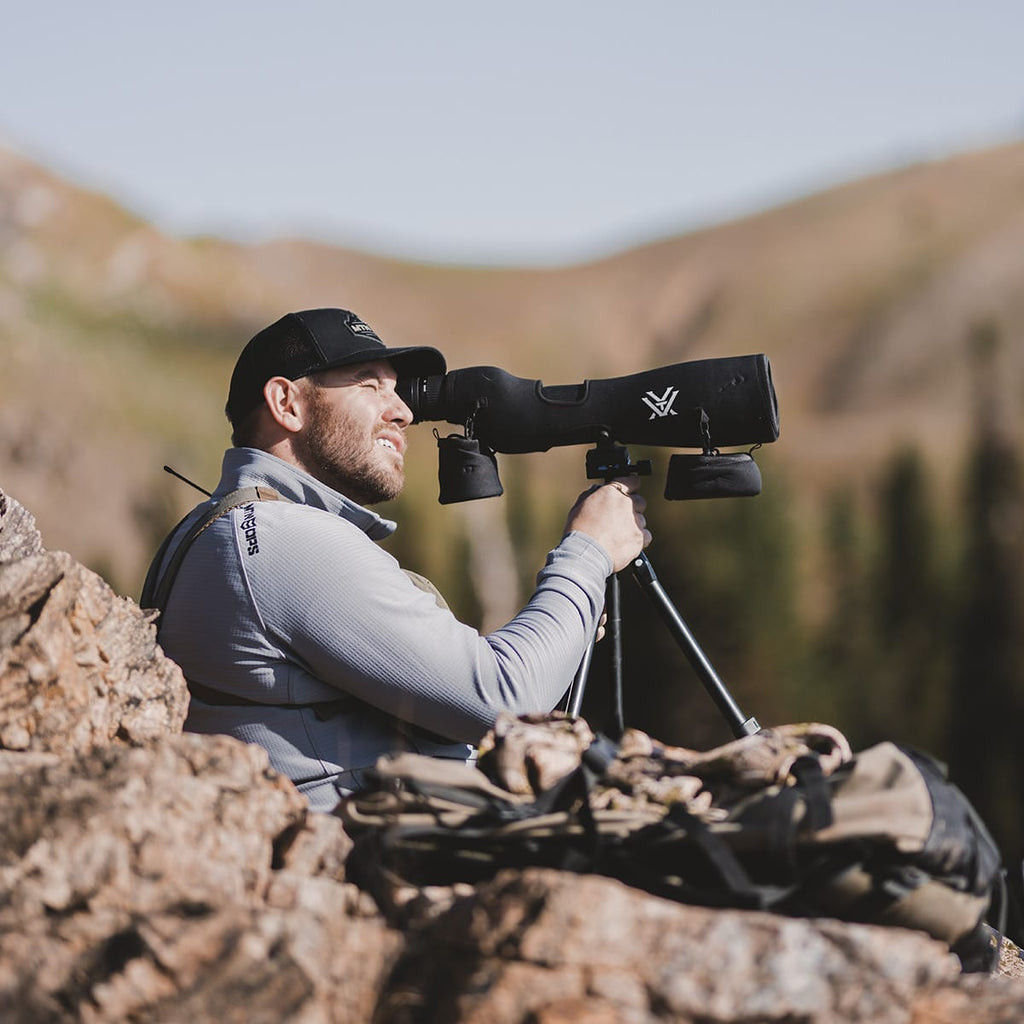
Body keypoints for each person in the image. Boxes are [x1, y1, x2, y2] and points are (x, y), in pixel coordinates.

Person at [143, 308, 651, 811]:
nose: (403, 412)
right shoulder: (285, 541)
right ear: (286, 403)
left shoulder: (218, 527)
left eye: (396, 390)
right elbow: (506, 699)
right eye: (369, 386)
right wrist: (589, 549)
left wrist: (558, 636)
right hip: (364, 865)